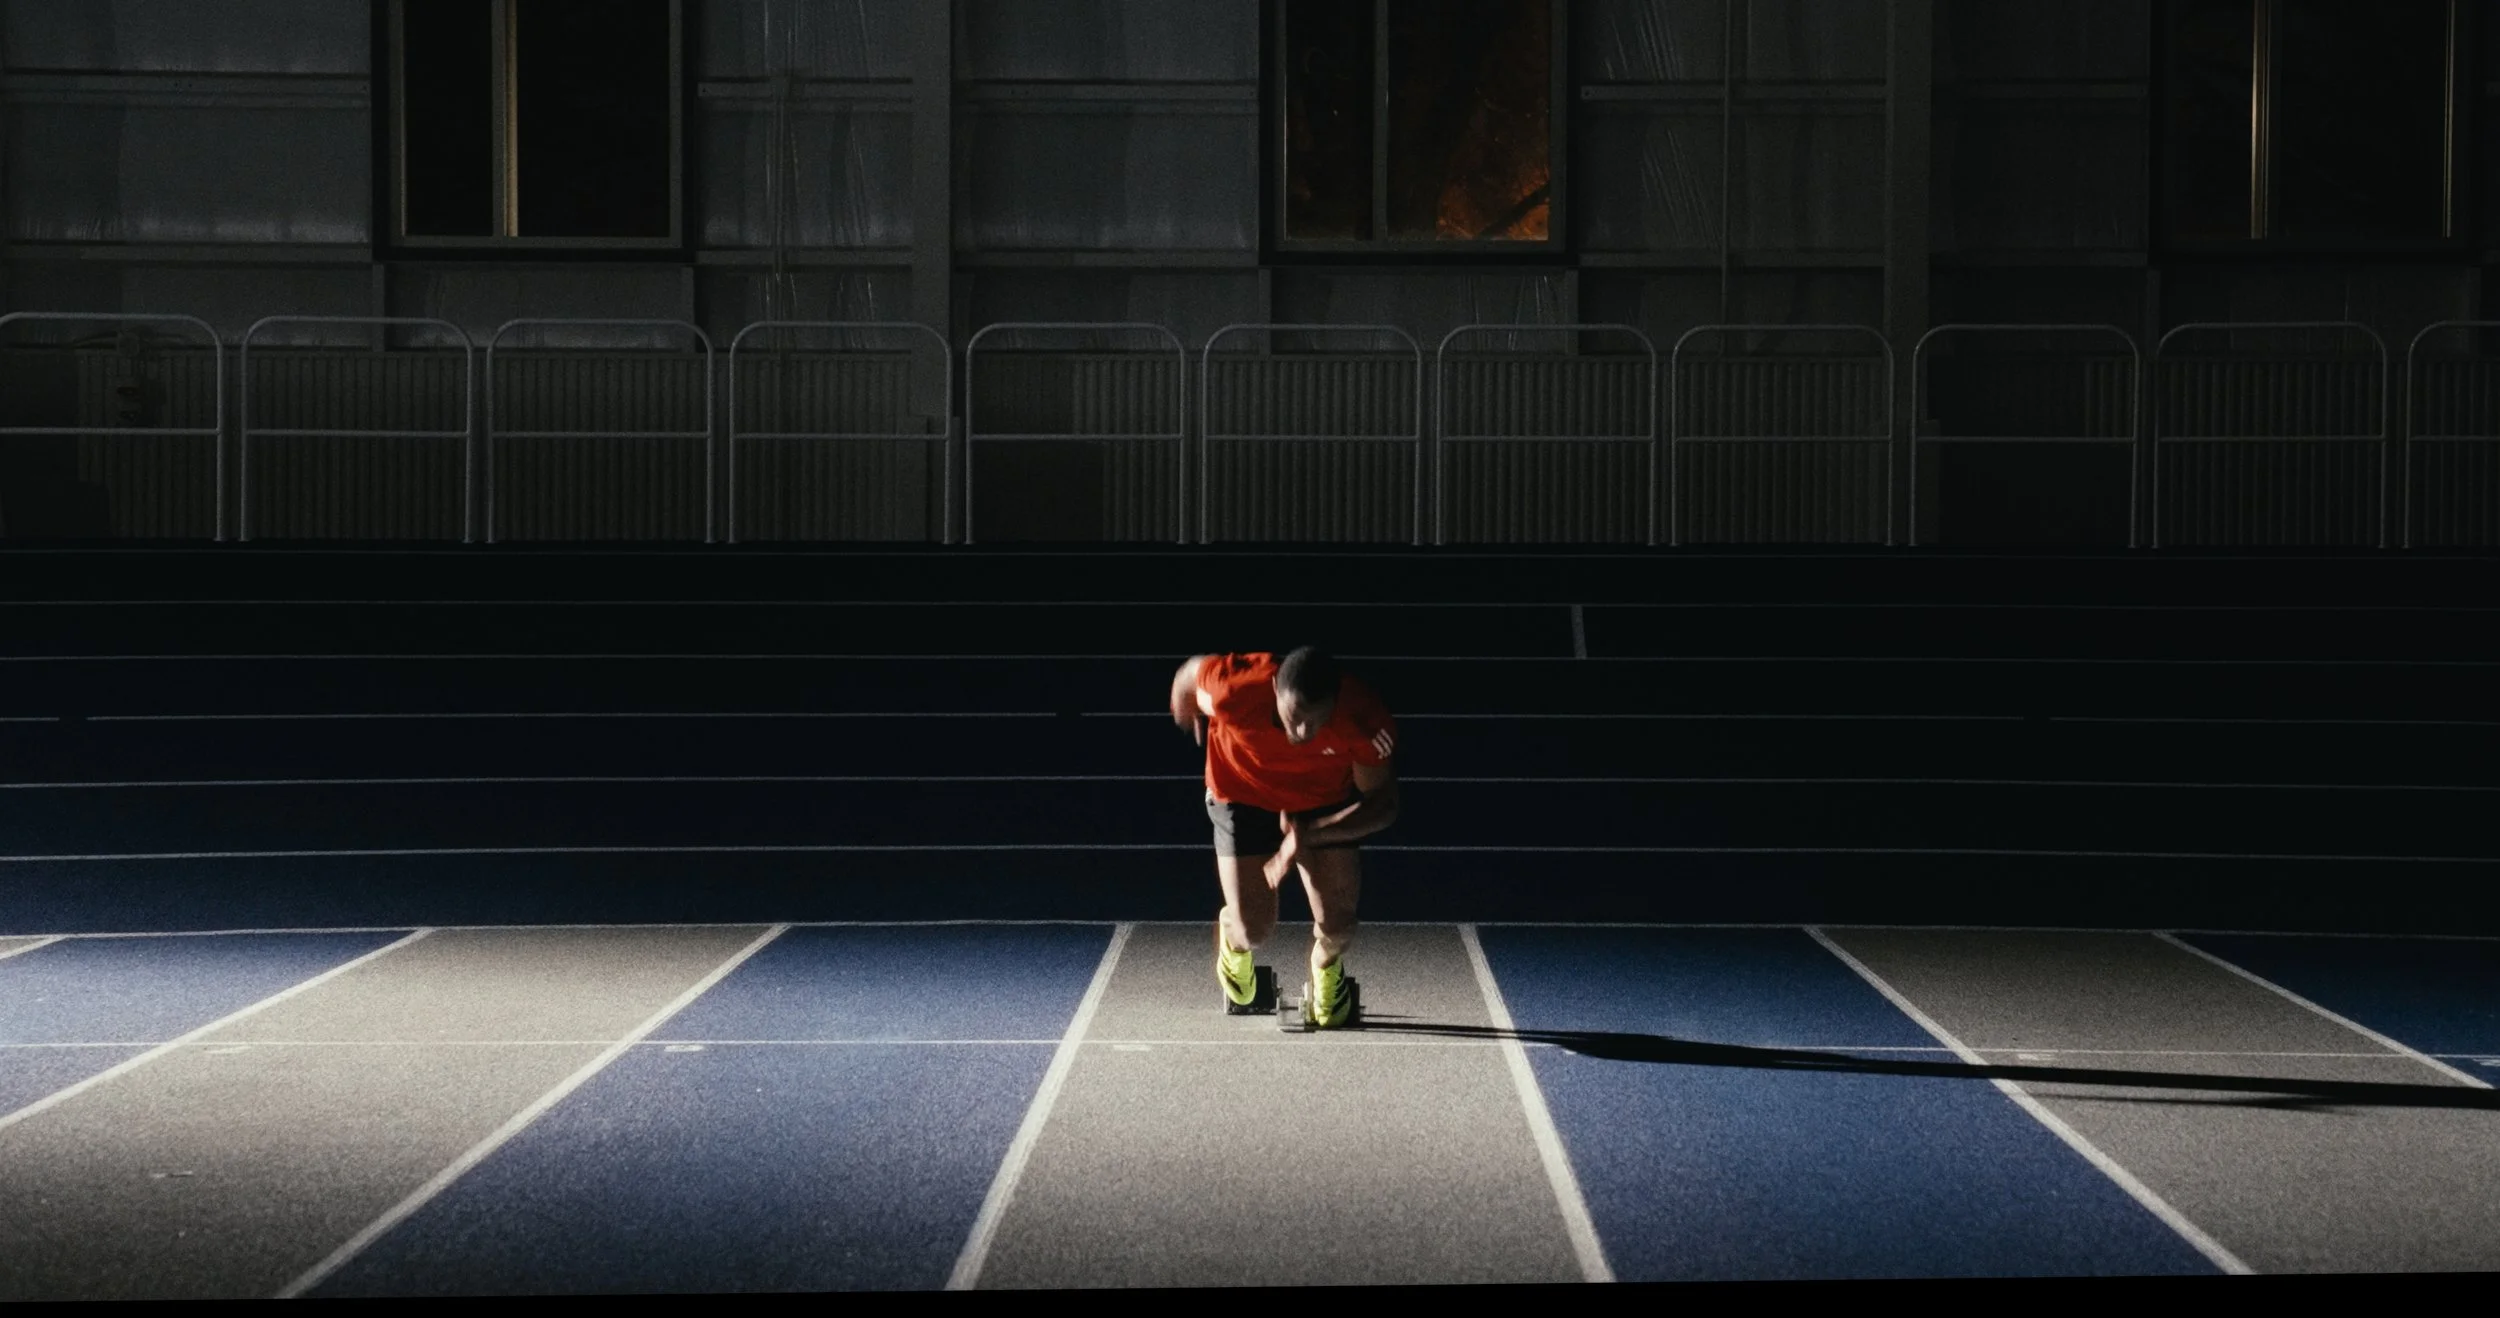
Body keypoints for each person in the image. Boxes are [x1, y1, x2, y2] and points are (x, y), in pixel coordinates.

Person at [1166, 646, 1400, 1027]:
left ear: (1335, 703)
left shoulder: (1363, 720)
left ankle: (1326, 969)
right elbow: (1190, 675)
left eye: (1316, 721)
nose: (1303, 733)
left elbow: (1383, 805)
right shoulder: (1234, 690)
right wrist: (1186, 707)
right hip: (1241, 794)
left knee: (1339, 926)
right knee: (1253, 930)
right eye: (1295, 718)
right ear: (1275, 689)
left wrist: (1308, 834)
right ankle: (1233, 937)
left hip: (1321, 803)